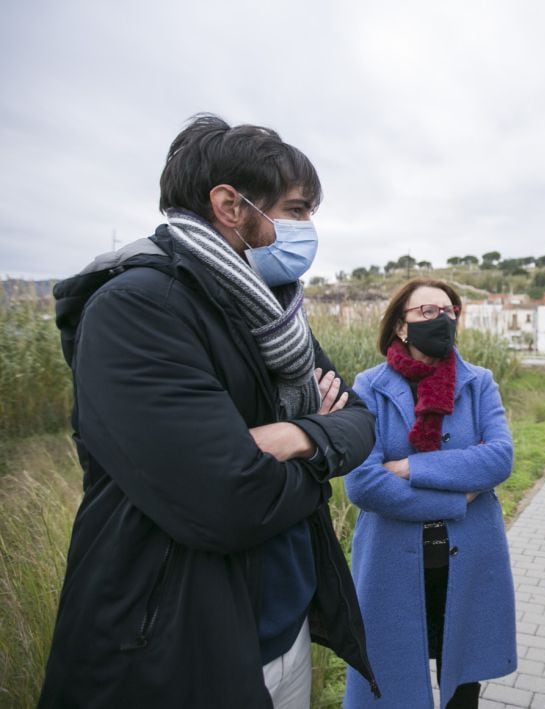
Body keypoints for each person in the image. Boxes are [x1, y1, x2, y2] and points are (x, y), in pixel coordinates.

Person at [40, 114, 380, 708]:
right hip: (178, 651)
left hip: (286, 626)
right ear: (230, 205)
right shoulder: (138, 309)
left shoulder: (274, 317)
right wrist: (319, 449)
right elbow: (228, 502)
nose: (307, 229)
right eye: (297, 210)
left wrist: (293, 436)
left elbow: (360, 419)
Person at [342, 278, 517, 709]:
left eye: (448, 311)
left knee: (463, 693)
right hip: (393, 564)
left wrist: (409, 467)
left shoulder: (479, 382)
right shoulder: (368, 386)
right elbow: (362, 483)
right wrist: (456, 499)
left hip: (468, 562)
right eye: (427, 312)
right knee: (393, 685)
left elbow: (498, 458)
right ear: (401, 325)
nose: (441, 319)